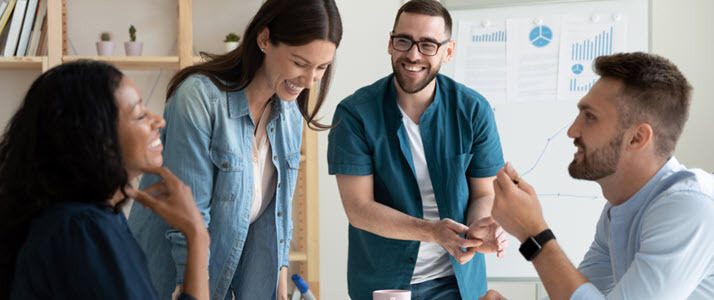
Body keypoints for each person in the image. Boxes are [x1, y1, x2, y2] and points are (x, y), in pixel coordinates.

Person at [126, 0, 342, 299]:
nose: (308, 81)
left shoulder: (289, 114)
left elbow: (279, 220)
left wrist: (282, 292)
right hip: (168, 282)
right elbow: (189, 222)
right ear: (264, 39)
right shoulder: (200, 99)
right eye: (299, 63)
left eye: (321, 67)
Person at [483, 52, 714, 300]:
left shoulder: (691, 206)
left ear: (637, 138)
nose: (572, 130)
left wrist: (534, 233)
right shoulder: (617, 211)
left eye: (590, 117)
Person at [327, 0, 508, 299]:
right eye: (404, 41)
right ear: (390, 43)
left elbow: (484, 193)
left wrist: (477, 229)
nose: (413, 54)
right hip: (383, 284)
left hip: (458, 282)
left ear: (448, 51)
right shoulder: (354, 114)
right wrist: (432, 232)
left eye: (428, 45)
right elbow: (359, 209)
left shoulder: (473, 110)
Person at [0, 60, 209, 300]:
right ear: (98, 139)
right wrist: (197, 234)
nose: (158, 121)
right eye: (140, 115)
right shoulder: (83, 229)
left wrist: (196, 235)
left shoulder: (95, 218)